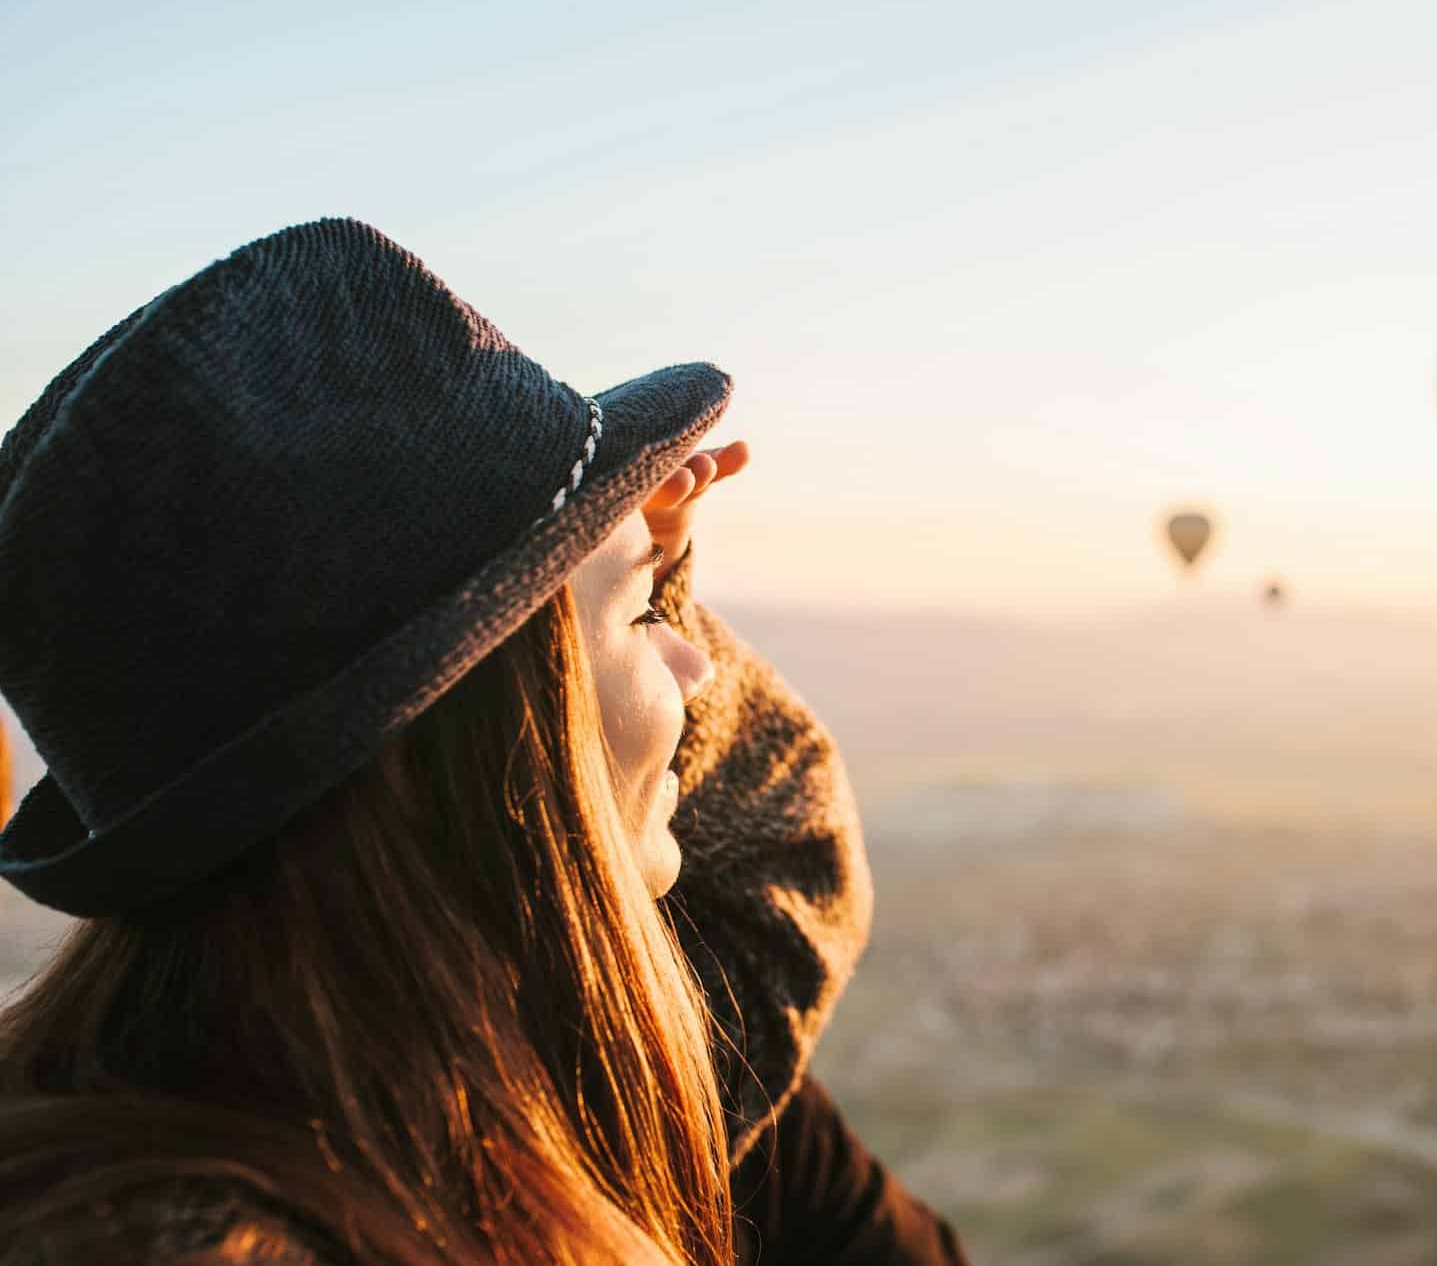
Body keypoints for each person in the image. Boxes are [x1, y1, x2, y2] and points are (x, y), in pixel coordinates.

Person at [0, 219, 967, 1264]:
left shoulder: (456, 1095)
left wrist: (632, 573)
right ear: (490, 736)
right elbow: (783, 864)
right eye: (648, 619)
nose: (695, 666)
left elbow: (771, 885)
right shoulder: (243, 1229)